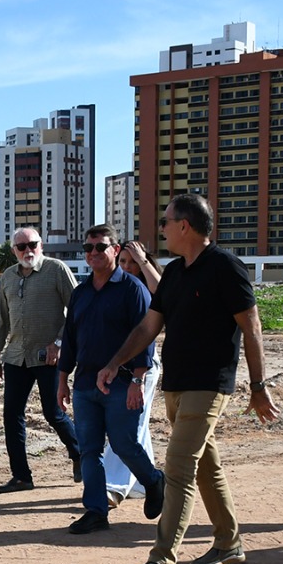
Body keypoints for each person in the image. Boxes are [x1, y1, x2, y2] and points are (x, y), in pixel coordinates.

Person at [98, 193, 279, 564]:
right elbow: (148, 327)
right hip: (176, 384)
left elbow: (252, 327)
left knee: (178, 468)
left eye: (165, 222)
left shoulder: (225, 266)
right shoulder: (176, 273)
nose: (160, 228)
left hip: (209, 384)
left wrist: (258, 385)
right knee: (206, 465)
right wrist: (114, 362)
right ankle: (229, 543)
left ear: (185, 226)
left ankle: (162, 560)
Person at [55, 225, 166, 534]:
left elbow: (146, 336)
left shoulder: (133, 289)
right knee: (89, 450)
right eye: (87, 248)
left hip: (122, 381)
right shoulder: (81, 292)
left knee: (123, 443)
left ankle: (154, 480)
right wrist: (62, 380)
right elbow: (70, 340)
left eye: (100, 247)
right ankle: (96, 511)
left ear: (115, 250)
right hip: (85, 383)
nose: (92, 253)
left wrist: (137, 381)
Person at [0, 227, 82, 492]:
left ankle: (80, 455)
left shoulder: (56, 269)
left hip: (49, 357)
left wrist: (59, 343)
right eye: (22, 247)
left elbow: (78, 310)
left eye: (33, 244)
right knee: (12, 415)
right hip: (16, 356)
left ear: (41, 245)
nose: (28, 250)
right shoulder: (8, 276)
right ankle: (21, 477)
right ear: (14, 251)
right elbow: (0, 319)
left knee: (53, 413)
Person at [103, 239, 163, 508]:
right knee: (137, 423)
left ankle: (113, 485)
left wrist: (143, 261)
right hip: (116, 364)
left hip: (144, 364)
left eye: (133, 262)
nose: (127, 267)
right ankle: (142, 482)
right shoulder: (113, 287)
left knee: (127, 425)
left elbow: (164, 293)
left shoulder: (146, 288)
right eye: (123, 261)